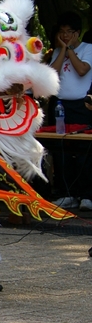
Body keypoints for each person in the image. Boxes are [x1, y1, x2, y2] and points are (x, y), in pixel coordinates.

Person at [47, 12, 92, 210]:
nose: (65, 35)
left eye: (69, 32)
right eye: (62, 32)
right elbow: (52, 73)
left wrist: (71, 50)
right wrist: (63, 50)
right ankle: (67, 193)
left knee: (83, 151)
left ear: (78, 33)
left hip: (82, 105)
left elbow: (82, 70)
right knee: (62, 149)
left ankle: (86, 195)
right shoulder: (58, 51)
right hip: (60, 105)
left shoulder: (88, 49)